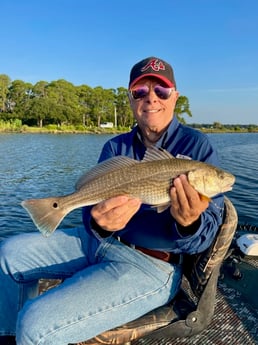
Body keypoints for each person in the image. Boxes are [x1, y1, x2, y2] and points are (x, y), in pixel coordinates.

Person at [0, 56, 224, 345]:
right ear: (131, 99)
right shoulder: (115, 146)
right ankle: (7, 336)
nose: (151, 98)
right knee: (7, 253)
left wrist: (189, 222)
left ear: (175, 97)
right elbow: (91, 218)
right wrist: (100, 224)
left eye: (162, 90)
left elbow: (206, 234)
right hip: (100, 243)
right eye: (140, 92)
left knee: (34, 323)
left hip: (151, 265)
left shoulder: (197, 147)